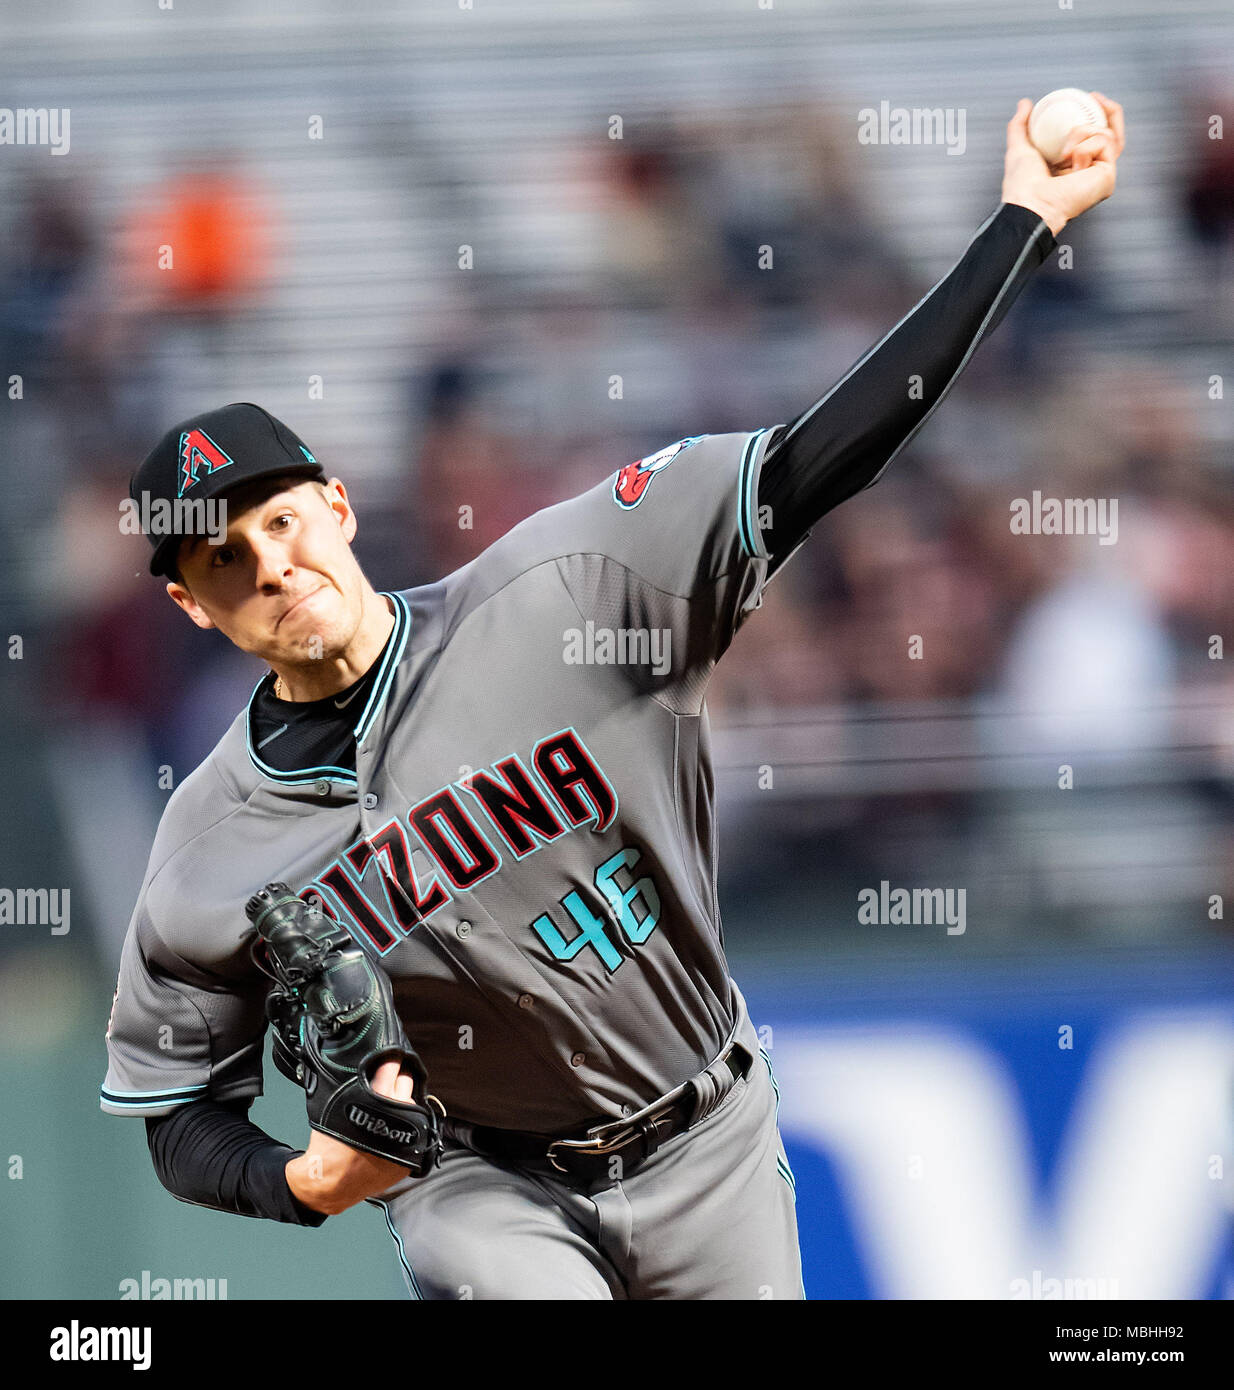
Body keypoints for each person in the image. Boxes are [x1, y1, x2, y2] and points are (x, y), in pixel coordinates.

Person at [100, 98, 1123, 1300]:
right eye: (223, 556)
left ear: (338, 502)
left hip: (708, 1130)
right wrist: (304, 1182)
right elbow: (180, 1112)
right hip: (477, 1184)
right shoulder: (203, 850)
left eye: (280, 519)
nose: (270, 564)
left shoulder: (565, 589)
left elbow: (820, 454)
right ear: (189, 604)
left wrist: (1025, 221)